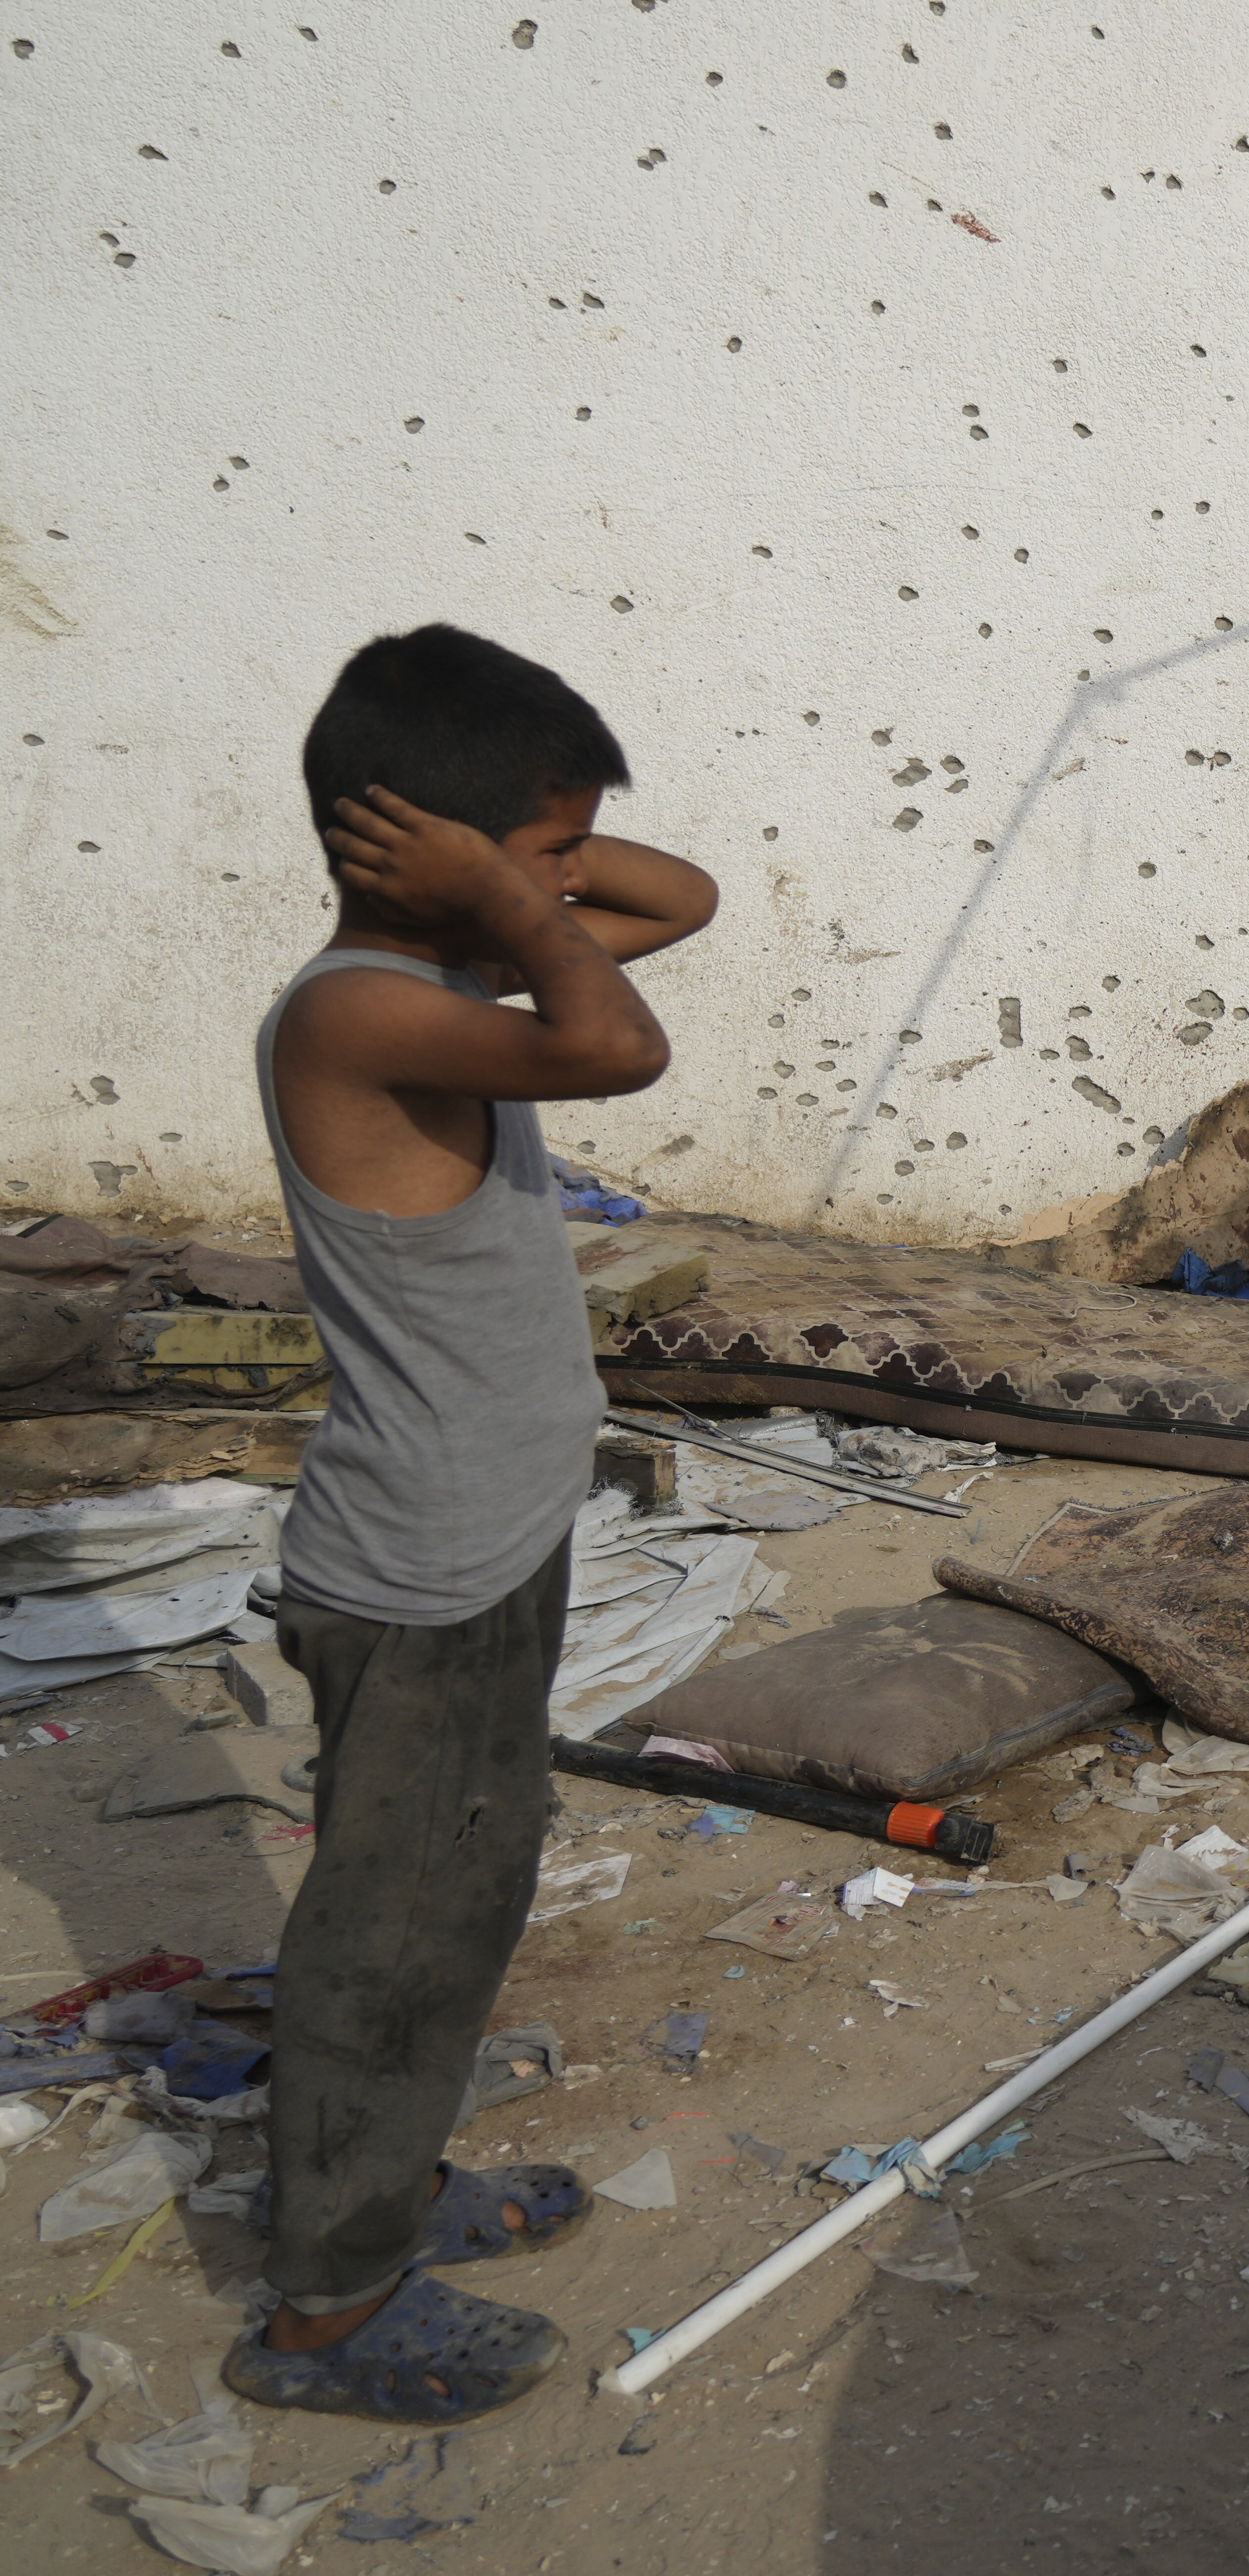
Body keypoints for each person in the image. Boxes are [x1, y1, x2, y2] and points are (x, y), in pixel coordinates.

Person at [231, 627, 715, 2424]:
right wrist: (505, 893)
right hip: (418, 1572)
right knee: (396, 1932)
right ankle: (326, 2314)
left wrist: (518, 869)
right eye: (542, 848)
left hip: (483, 1544)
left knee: (461, 1897)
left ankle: (390, 2186)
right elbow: (621, 1035)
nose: (571, 880)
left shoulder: (449, 981)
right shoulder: (356, 1013)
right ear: (418, 850)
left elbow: (685, 894)